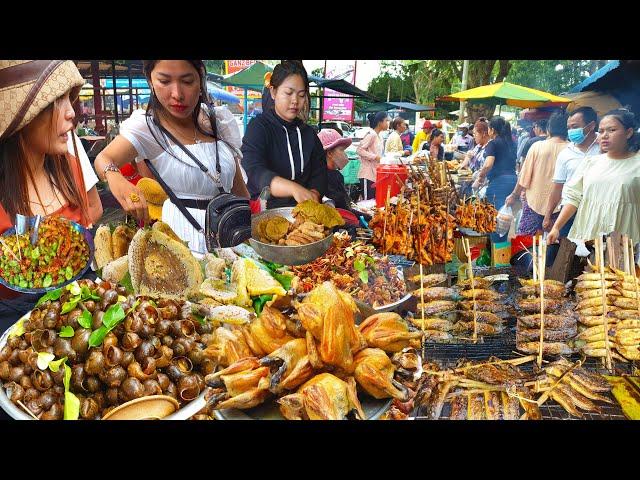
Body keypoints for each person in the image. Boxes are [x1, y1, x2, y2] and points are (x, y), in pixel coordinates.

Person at [95, 60, 250, 254]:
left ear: (200, 78)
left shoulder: (219, 121)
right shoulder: (148, 128)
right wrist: (116, 179)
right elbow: (104, 159)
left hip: (232, 245)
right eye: (164, 81)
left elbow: (241, 194)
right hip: (180, 250)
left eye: (187, 81)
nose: (177, 94)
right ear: (150, 81)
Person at [0, 60, 104, 299]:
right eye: (57, 101)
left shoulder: (70, 167)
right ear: (21, 118)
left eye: (70, 98)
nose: (71, 113)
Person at [241, 61, 326, 211]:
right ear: (273, 92)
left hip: (304, 214)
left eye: (301, 95)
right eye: (288, 93)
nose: (295, 101)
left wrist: (313, 194)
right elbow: (255, 170)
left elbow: (319, 172)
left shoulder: (308, 133)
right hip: (266, 212)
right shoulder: (259, 127)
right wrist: (293, 188)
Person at [548, 108, 640, 245]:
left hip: (624, 240)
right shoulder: (591, 163)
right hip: (588, 235)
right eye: (601, 131)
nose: (604, 135)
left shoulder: (637, 164)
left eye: (612, 130)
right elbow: (573, 197)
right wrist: (556, 227)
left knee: (617, 266)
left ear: (629, 132)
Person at [504, 112, 569, 236]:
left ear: (549, 129)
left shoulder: (537, 147)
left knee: (526, 243)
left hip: (533, 202)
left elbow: (524, 177)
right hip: (560, 206)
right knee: (553, 244)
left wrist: (514, 195)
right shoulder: (572, 150)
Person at [542, 107, 600, 235]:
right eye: (569, 128)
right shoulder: (566, 154)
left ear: (591, 126)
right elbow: (557, 188)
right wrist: (548, 215)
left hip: (597, 208)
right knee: (565, 247)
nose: (571, 131)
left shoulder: (605, 147)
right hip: (569, 209)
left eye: (575, 126)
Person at [472, 116, 517, 242]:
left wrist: (479, 178)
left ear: (492, 130)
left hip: (499, 184)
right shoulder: (510, 142)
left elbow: (488, 164)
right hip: (512, 181)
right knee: (504, 217)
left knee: (495, 218)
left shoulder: (493, 143)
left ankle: (497, 252)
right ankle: (501, 249)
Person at [357, 111, 389, 201]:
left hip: (375, 174)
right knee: (367, 202)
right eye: (386, 121)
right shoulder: (371, 135)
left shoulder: (379, 136)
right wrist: (375, 157)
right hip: (367, 174)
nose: (388, 123)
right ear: (380, 122)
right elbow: (359, 150)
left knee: (373, 202)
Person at [317, 128, 353, 209]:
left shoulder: (335, 174)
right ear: (329, 153)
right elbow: (343, 207)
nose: (345, 154)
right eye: (342, 150)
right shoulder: (324, 177)